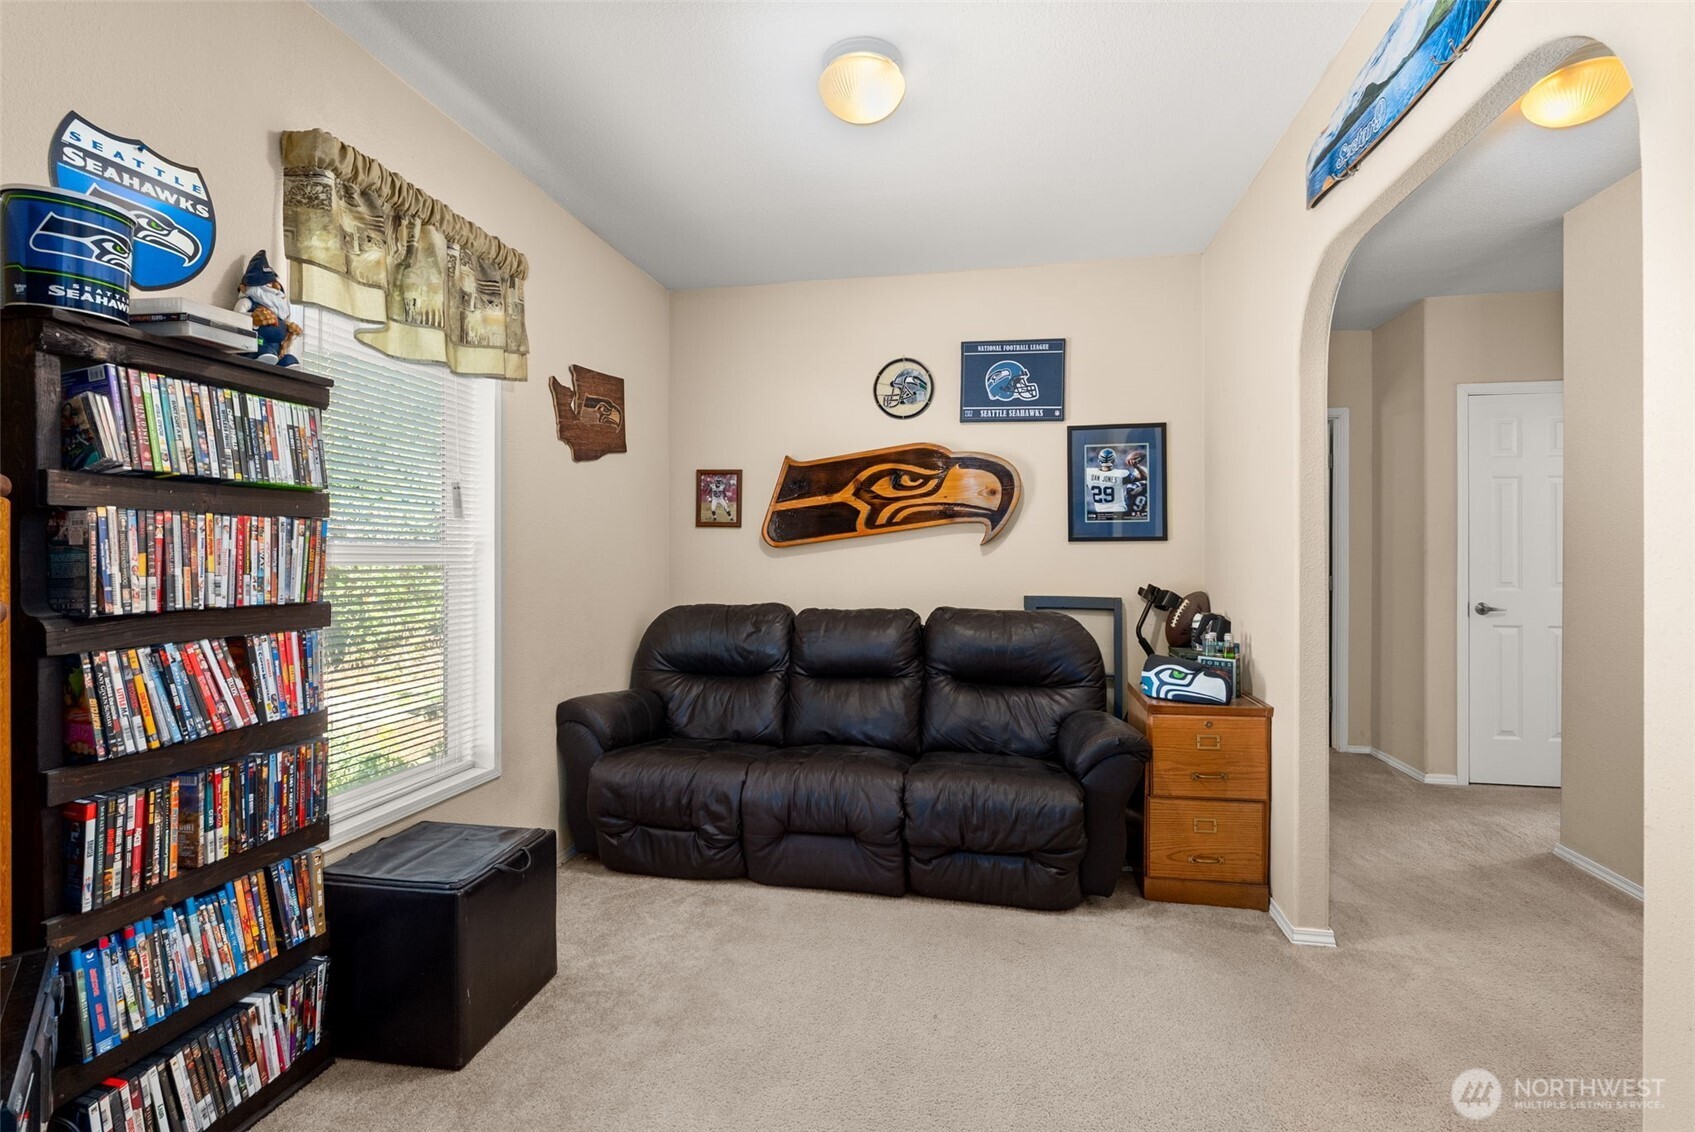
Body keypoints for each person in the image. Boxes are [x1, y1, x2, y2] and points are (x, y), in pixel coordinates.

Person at [233, 250, 302, 367]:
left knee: (286, 358)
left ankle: (282, 361)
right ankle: (262, 354)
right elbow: (235, 320)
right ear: (244, 288)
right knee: (262, 348)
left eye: (276, 283)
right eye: (269, 284)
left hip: (276, 349)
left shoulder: (278, 311)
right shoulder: (248, 302)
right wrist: (252, 320)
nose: (276, 287)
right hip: (255, 346)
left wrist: (289, 332)